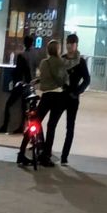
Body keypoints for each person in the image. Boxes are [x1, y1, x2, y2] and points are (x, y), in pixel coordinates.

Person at [18, 39, 67, 167]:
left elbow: (43, 77)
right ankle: (46, 156)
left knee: (35, 122)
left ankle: (21, 152)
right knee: (51, 127)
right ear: (57, 49)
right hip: (57, 96)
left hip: (45, 96)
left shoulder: (44, 63)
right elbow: (62, 79)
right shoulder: (60, 63)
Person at [58, 33, 90, 165]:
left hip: (73, 97)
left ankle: (64, 156)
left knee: (70, 127)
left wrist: (77, 92)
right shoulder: (62, 59)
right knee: (52, 123)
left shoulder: (81, 61)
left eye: (72, 43)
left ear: (76, 45)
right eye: (68, 43)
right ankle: (46, 151)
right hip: (61, 95)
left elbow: (87, 79)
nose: (70, 46)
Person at [0, 42, 33, 133]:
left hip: (20, 85)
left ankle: (5, 125)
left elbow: (18, 71)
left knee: (8, 104)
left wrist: (13, 75)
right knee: (24, 107)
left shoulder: (21, 57)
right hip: (28, 85)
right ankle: (23, 127)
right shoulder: (33, 56)